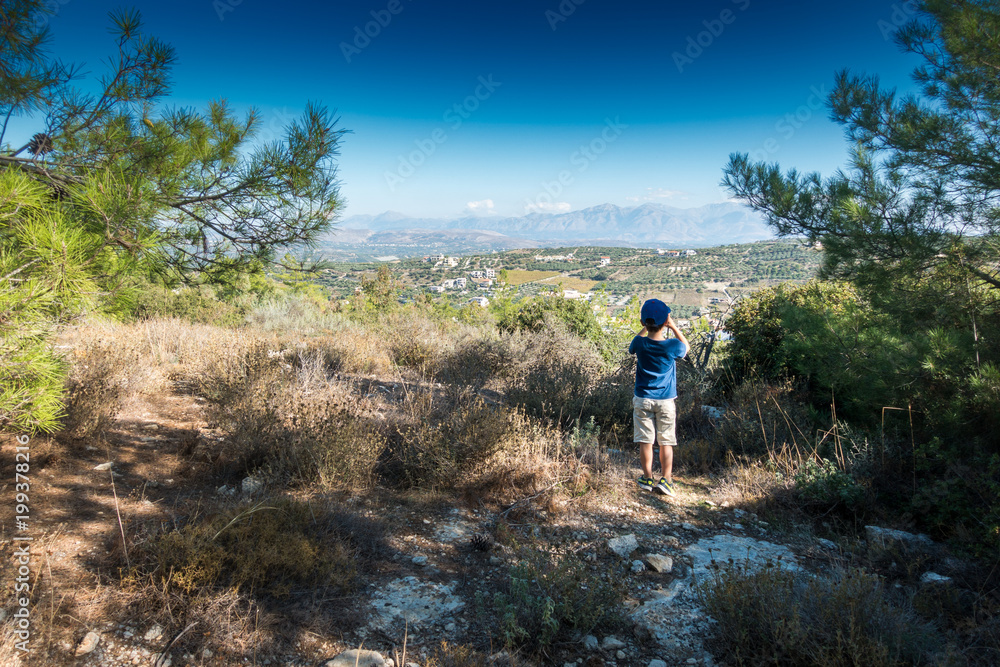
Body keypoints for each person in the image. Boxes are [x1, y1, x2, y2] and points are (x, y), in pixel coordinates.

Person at [630, 298, 689, 496]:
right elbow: (685, 347)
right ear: (665, 322)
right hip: (665, 400)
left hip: (643, 398)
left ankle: (647, 478)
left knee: (645, 440)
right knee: (666, 441)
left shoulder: (639, 343)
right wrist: (673, 326)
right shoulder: (671, 346)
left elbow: (632, 346)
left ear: (643, 323)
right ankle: (666, 480)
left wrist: (644, 329)